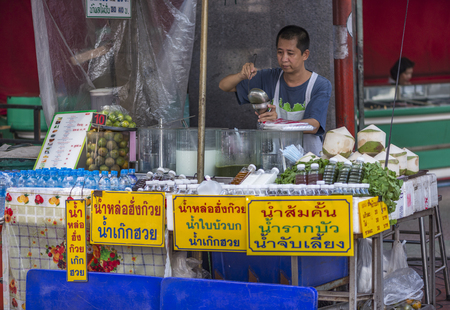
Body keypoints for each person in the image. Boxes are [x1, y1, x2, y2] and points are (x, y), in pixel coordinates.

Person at [219, 25, 331, 155]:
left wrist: (277, 123)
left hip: (308, 161)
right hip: (274, 159)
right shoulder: (269, 77)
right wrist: (241, 75)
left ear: (305, 55)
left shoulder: (320, 85)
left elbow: (314, 125)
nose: (284, 59)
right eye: (280, 52)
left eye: (290, 53)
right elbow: (224, 86)